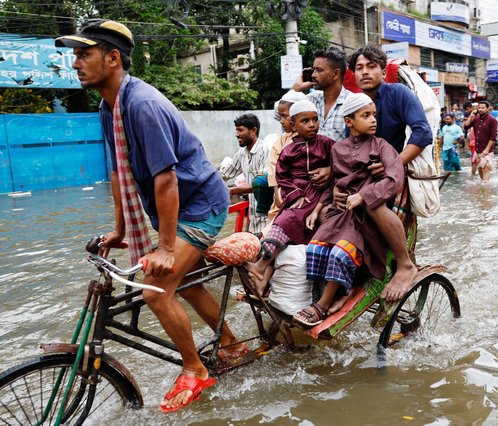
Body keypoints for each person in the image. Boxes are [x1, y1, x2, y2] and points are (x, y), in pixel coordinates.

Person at [55, 19, 248, 413]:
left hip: (199, 203)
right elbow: (118, 171)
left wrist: (163, 248)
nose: (76, 63)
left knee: (155, 291)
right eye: (75, 55)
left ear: (112, 58)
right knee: (186, 284)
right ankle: (231, 343)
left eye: (84, 54)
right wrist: (120, 230)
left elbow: (166, 180)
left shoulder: (142, 105)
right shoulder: (108, 107)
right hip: (175, 204)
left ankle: (196, 369)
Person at [294, 93, 404, 326]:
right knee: (315, 248)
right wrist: (320, 207)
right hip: (339, 212)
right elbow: (334, 182)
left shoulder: (382, 146)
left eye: (374, 115)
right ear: (349, 122)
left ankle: (321, 306)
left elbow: (395, 179)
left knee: (340, 253)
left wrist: (363, 196)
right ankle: (329, 294)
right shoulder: (338, 150)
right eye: (366, 115)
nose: (373, 119)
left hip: (366, 217)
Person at [347, 44, 433, 301]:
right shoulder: (354, 103)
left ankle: (405, 264)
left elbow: (422, 133)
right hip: (363, 173)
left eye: (371, 66)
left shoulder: (398, 93)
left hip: (395, 173)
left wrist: (392, 163)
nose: (364, 72)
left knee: (371, 202)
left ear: (383, 72)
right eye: (359, 68)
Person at [245, 100, 334, 295]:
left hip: (320, 193)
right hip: (297, 196)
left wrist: (329, 170)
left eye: (315, 120)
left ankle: (261, 269)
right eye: (305, 121)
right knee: (283, 222)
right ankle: (262, 270)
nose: (312, 125)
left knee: (292, 221)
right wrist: (295, 196)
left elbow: (340, 163)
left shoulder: (327, 144)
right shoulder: (288, 150)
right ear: (294, 126)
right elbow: (281, 176)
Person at [262, 90, 307, 235]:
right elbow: (273, 167)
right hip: (282, 193)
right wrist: (276, 191)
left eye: (284, 116)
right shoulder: (281, 140)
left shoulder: (312, 139)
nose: (281, 121)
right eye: (280, 116)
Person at [220, 113, 270, 235]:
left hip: (268, 217)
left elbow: (264, 183)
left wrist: (233, 190)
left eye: (240, 130)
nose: (237, 134)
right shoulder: (241, 153)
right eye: (236, 130)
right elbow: (225, 174)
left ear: (253, 130)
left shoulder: (265, 150)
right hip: (253, 219)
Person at [465, 100, 498, 181]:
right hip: (478, 149)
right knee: (480, 169)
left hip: (487, 150)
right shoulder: (476, 118)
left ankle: (486, 189)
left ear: (488, 109)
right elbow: (466, 126)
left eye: (483, 108)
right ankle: (483, 187)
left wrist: (487, 149)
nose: (480, 109)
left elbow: (493, 137)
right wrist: (471, 115)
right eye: (479, 108)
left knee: (485, 168)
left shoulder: (492, 120)